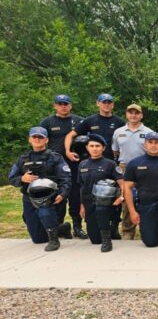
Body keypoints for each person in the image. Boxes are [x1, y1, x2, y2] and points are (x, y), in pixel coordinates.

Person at [64, 93, 126, 240]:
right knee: (91, 193)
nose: (106, 104)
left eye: (109, 102)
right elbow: (70, 135)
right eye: (103, 102)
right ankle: (92, 223)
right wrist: (68, 151)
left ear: (113, 104)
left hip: (111, 163)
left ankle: (114, 227)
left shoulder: (119, 122)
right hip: (92, 163)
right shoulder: (89, 120)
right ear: (98, 103)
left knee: (114, 194)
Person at [8, 127, 71, 251]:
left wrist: (63, 194)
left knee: (45, 212)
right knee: (38, 239)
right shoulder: (23, 159)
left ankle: (54, 240)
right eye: (34, 137)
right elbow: (11, 178)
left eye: (41, 137)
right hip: (30, 198)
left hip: (50, 197)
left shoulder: (55, 158)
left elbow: (66, 178)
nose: (37, 139)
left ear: (46, 140)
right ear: (29, 139)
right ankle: (62, 229)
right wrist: (22, 179)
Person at [40, 94, 85, 239]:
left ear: (71, 105)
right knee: (57, 195)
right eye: (60, 104)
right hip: (55, 166)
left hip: (75, 163)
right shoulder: (47, 122)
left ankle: (77, 227)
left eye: (66, 103)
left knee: (75, 196)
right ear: (55, 106)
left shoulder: (79, 121)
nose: (63, 106)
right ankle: (58, 226)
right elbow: (41, 142)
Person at [112, 104, 154, 240]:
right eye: (131, 112)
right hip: (125, 168)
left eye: (137, 113)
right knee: (126, 200)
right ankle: (128, 232)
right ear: (126, 114)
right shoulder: (118, 132)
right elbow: (115, 151)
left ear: (141, 115)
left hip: (144, 167)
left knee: (145, 198)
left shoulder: (148, 132)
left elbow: (152, 150)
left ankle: (146, 230)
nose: (133, 115)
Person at [77, 133, 123, 252]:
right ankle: (110, 230)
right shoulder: (83, 164)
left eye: (97, 146)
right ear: (87, 148)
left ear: (103, 148)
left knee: (101, 211)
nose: (94, 148)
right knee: (95, 240)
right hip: (89, 201)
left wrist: (121, 197)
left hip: (106, 201)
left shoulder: (110, 164)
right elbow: (82, 186)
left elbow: (122, 183)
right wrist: (82, 205)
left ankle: (107, 240)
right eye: (91, 146)